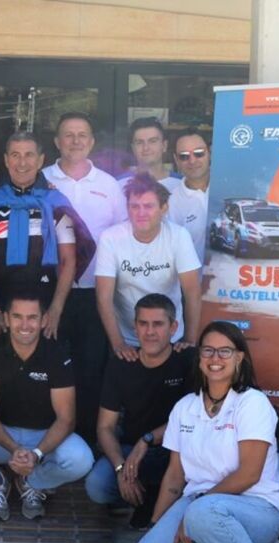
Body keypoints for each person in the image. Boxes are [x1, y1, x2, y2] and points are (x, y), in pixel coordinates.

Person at [123, 321, 279, 543]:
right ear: (199, 357)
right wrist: (156, 527)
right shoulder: (185, 407)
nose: (215, 358)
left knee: (203, 513)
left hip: (256, 509)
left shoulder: (252, 403)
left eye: (225, 351)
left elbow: (249, 474)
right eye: (208, 350)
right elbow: (175, 477)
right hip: (197, 507)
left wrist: (195, 510)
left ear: (239, 357)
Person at [0, 290, 93, 521]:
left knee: (81, 459)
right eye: (17, 317)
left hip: (44, 437)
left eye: (32, 317)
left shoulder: (55, 351)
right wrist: (14, 449)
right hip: (2, 436)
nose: (25, 325)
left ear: (44, 320)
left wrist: (36, 454)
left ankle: (31, 482)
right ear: (6, 318)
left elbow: (66, 418)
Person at [0, 131, 94, 340]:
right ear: (6, 160)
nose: (22, 162)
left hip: (46, 312)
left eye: (29, 155)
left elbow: (68, 261)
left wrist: (55, 310)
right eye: (15, 155)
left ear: (40, 160)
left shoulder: (56, 203)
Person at [42, 112, 126, 445]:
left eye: (82, 135)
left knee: (91, 371)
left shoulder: (109, 185)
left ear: (91, 142)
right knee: (50, 369)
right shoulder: (41, 179)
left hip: (95, 294)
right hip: (49, 294)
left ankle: (88, 445)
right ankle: (49, 442)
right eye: (68, 134)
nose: (75, 141)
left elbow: (121, 236)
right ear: (56, 141)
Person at [85, 294, 195, 529]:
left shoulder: (187, 360)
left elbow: (194, 418)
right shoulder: (122, 363)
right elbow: (105, 427)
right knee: (97, 485)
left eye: (158, 324)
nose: (150, 331)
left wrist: (146, 440)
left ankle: (158, 504)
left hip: (177, 453)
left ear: (173, 327)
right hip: (132, 454)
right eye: (143, 323)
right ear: (134, 327)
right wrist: (120, 469)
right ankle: (139, 498)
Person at [95, 173, 201, 361]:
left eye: (148, 206)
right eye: (134, 206)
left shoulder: (178, 236)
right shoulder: (110, 238)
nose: (141, 213)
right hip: (128, 339)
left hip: (171, 338)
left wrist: (190, 340)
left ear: (164, 208)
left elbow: (192, 292)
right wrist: (118, 344)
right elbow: (104, 297)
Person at [165, 128, 211, 263]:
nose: (192, 160)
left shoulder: (231, 188)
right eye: (184, 156)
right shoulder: (170, 203)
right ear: (176, 160)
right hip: (194, 276)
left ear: (209, 153)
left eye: (199, 153)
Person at [117, 116, 180, 188]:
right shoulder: (118, 185)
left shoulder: (181, 183)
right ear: (133, 148)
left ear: (164, 145)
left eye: (153, 141)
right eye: (139, 142)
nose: (146, 148)